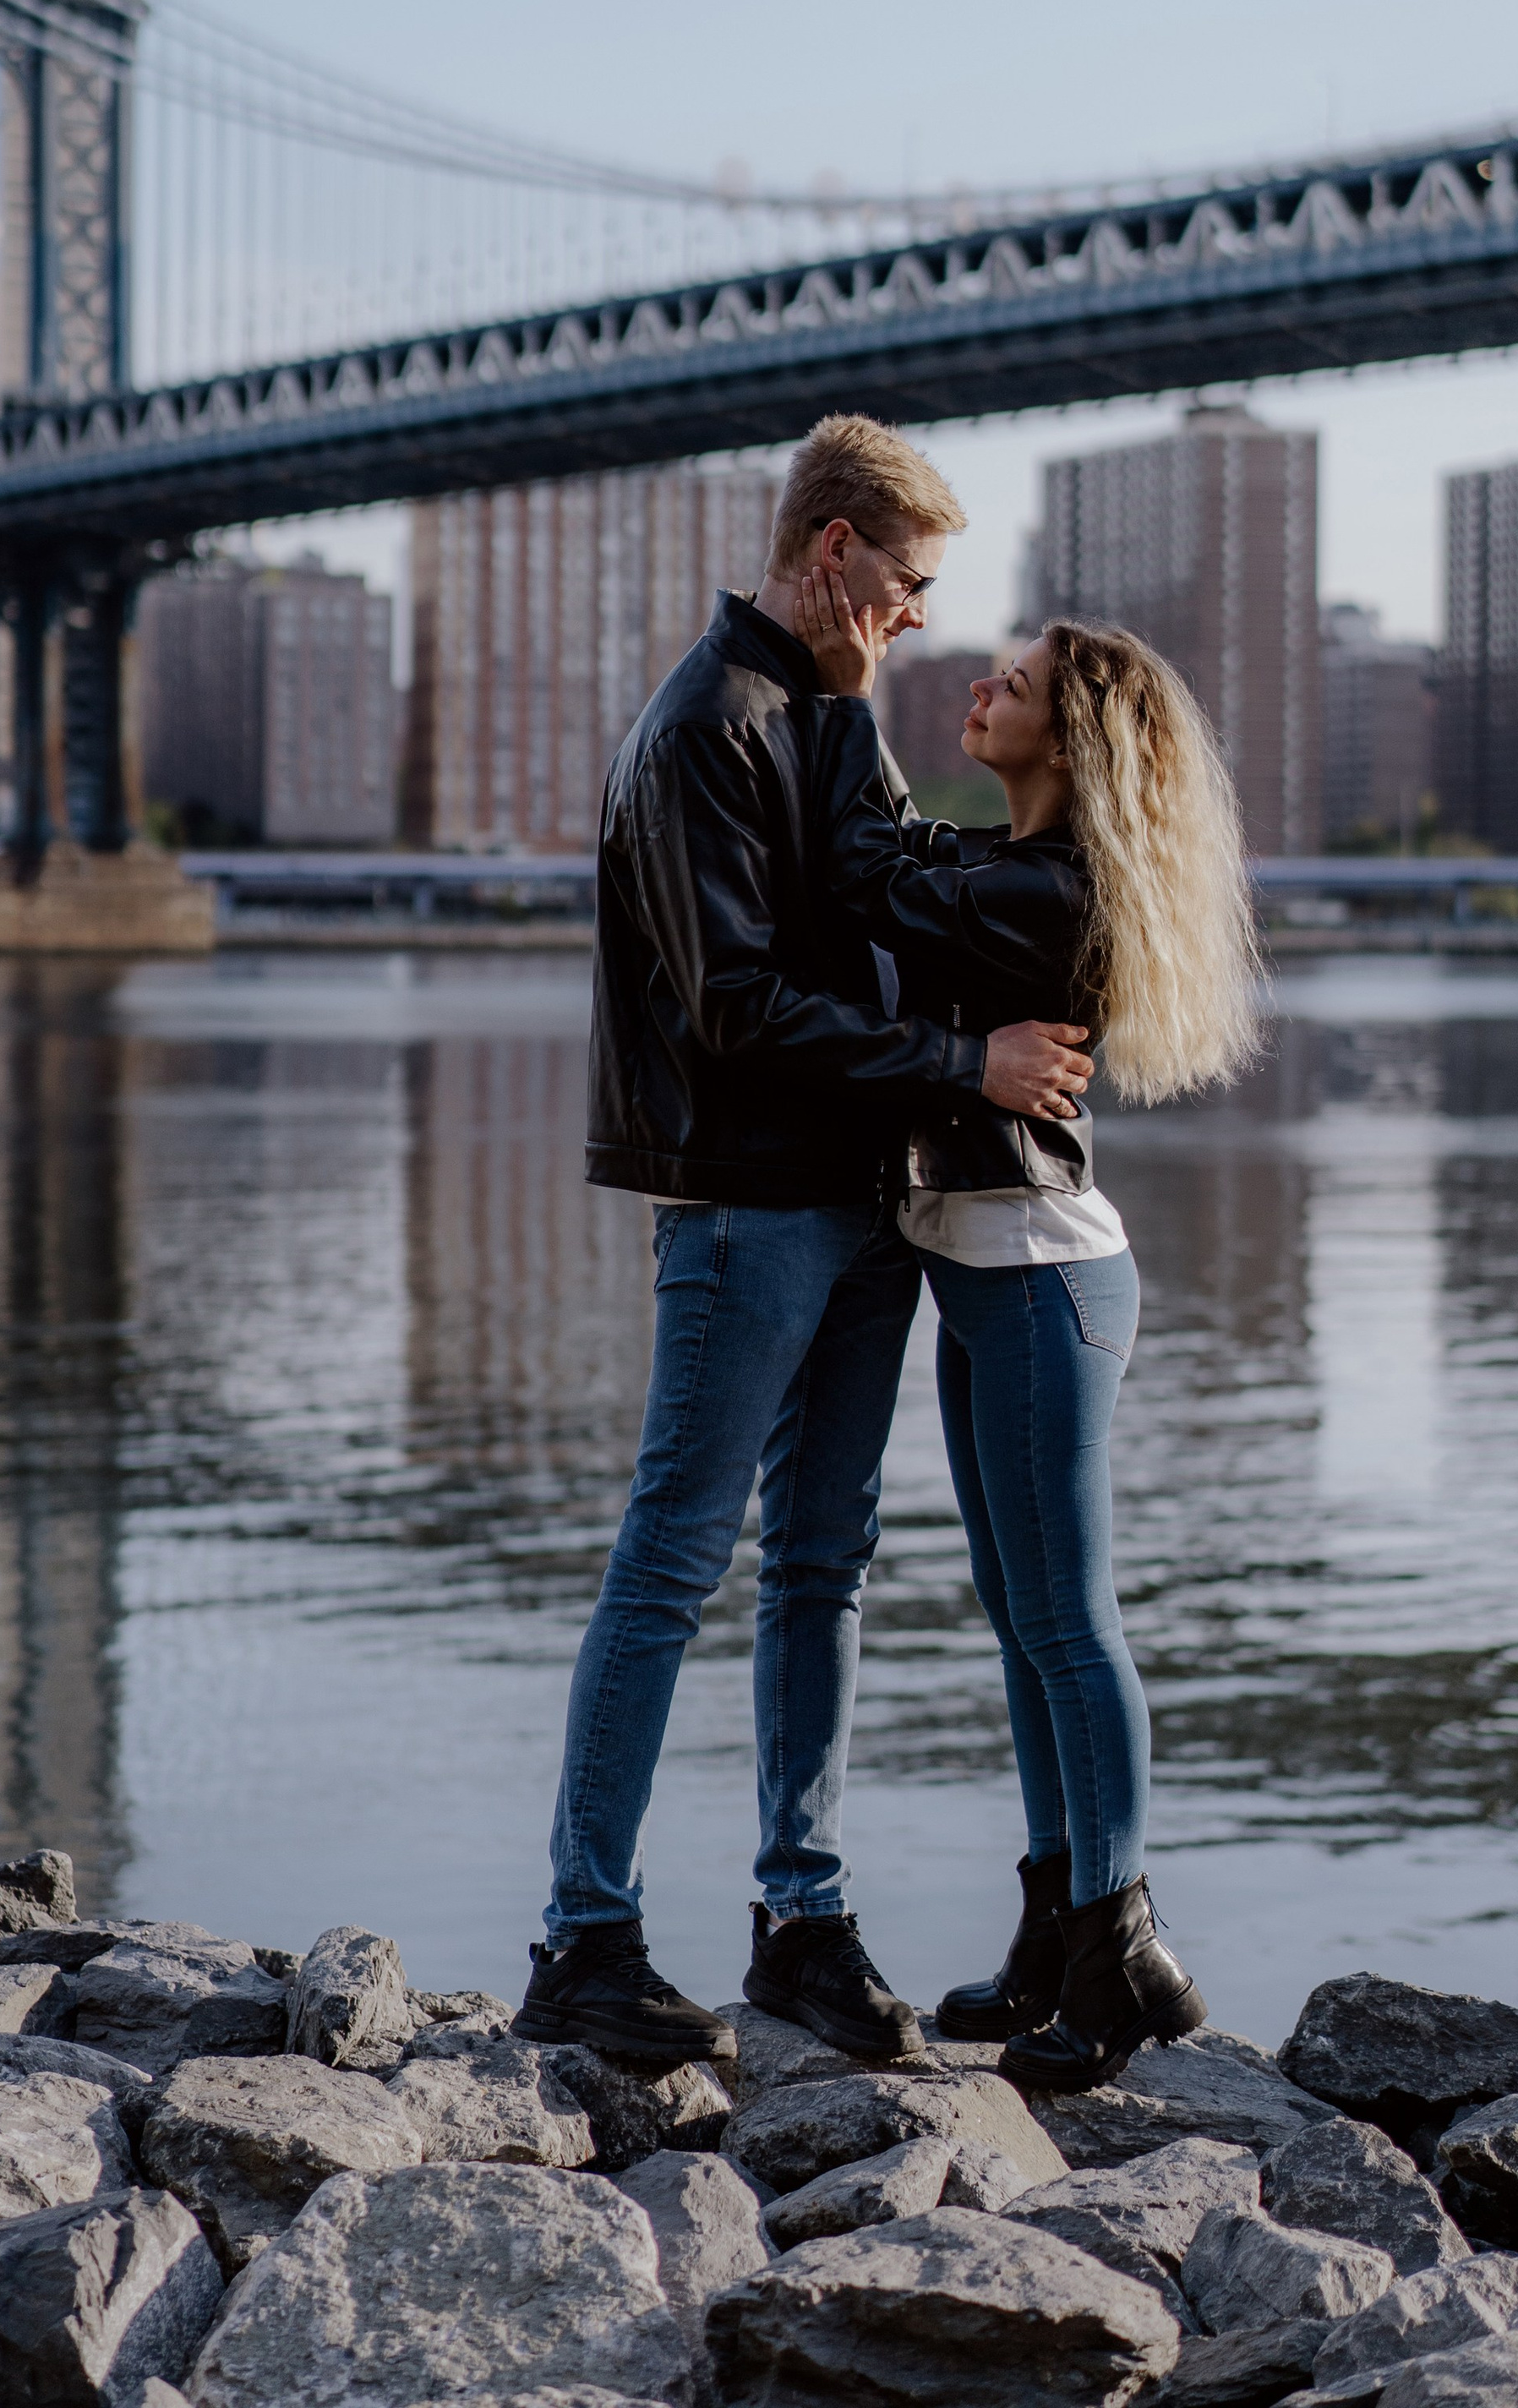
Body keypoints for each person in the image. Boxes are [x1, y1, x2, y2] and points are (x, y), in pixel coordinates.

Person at [512, 414, 1095, 2071]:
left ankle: (801, 1925)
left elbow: (898, 897)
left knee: (822, 1560)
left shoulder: (833, 717)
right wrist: (964, 1064)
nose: (919, 614)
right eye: (906, 581)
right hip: (746, 1202)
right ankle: (583, 1938)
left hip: (862, 1196)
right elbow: (741, 1007)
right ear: (830, 551)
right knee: (672, 1556)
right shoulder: (704, 727)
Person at [789, 568, 1260, 2091]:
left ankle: (1120, 1946)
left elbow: (867, 868)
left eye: (1014, 680)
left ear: (1073, 735)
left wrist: (845, 681)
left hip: (1044, 1279)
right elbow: (909, 858)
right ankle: (1060, 1926)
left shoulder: (1048, 893)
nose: (981, 686)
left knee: (1069, 1617)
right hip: (986, 1268)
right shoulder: (1014, 864)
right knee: (1022, 1611)